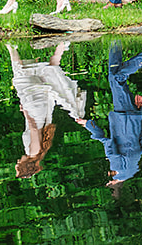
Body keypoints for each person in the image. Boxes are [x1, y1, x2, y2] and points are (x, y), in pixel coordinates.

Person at [82, 39, 142, 195]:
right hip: (122, 117)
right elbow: (107, 142)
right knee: (116, 79)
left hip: (133, 117)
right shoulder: (118, 168)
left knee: (114, 74)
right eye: (110, 178)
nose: (109, 172)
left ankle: (116, 42)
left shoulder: (133, 168)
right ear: (112, 182)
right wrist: (88, 125)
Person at [8, 41, 87, 179]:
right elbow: (33, 129)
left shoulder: (40, 152)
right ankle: (11, 46)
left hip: (40, 109)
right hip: (34, 110)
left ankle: (60, 47)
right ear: (24, 166)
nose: (17, 162)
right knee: (20, 76)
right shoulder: (33, 152)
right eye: (18, 166)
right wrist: (25, 112)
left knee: (41, 78)